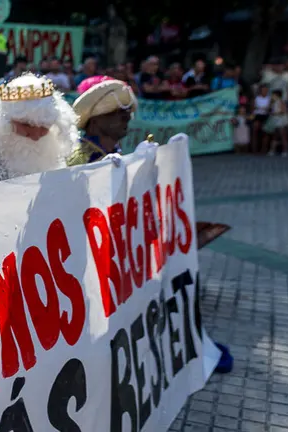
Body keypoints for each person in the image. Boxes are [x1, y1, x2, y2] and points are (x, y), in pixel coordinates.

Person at [71, 76, 234, 374]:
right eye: (116, 112)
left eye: (128, 113)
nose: (126, 118)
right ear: (94, 120)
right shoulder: (78, 158)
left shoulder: (118, 153)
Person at [263, 89, 288, 156]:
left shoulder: (281, 101)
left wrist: (275, 113)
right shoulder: (273, 102)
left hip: (281, 121)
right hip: (275, 121)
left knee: (283, 136)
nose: (272, 96)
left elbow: (283, 111)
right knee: (275, 136)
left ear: (277, 95)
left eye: (273, 95)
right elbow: (270, 110)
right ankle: (272, 150)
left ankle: (285, 151)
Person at [252, 85, 271, 153]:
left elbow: (270, 108)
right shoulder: (256, 98)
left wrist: (267, 109)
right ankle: (254, 149)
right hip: (257, 115)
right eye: (263, 90)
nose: (264, 91)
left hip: (265, 116)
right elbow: (253, 108)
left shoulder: (269, 98)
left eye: (266, 90)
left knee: (265, 133)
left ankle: (264, 149)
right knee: (255, 132)